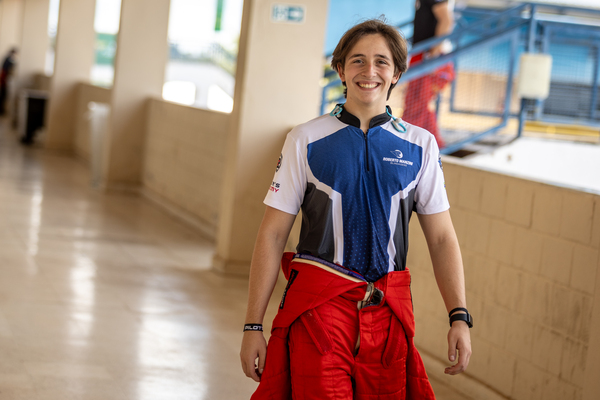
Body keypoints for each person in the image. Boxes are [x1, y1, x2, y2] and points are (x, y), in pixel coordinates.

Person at [240, 18, 471, 399]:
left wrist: (459, 316)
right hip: (319, 311)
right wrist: (253, 326)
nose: (369, 71)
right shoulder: (305, 138)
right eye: (357, 60)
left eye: (381, 62)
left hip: (389, 314)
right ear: (340, 69)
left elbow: (442, 238)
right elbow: (273, 233)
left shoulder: (421, 145)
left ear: (397, 73)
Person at [402, 0, 455, 149]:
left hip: (428, 56)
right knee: (416, 101)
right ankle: (427, 142)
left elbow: (447, 21)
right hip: (422, 54)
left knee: (418, 102)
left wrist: (433, 55)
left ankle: (418, 141)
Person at [0, 48, 17, 116]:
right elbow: (5, 70)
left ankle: (2, 109)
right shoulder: (8, 60)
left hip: (5, 80)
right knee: (3, 95)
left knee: (4, 95)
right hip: (4, 80)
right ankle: (1, 110)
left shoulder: (8, 60)